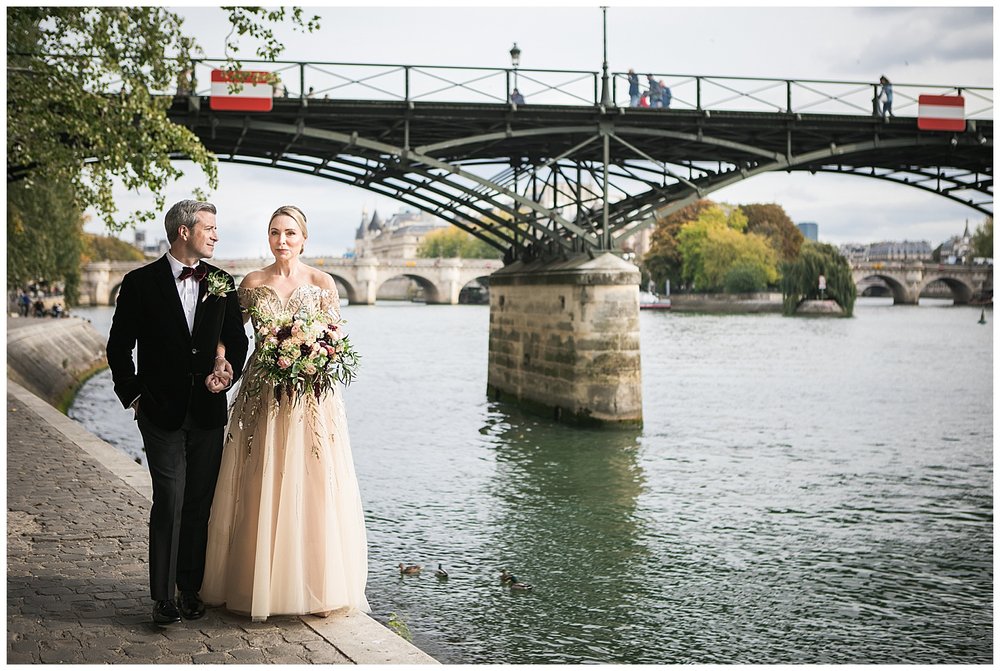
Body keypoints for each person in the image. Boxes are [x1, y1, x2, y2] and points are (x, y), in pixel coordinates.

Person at [202, 205, 369, 622]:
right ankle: (255, 584)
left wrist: (315, 355)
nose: (282, 241)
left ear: (304, 238)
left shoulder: (322, 282)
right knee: (259, 479)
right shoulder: (252, 282)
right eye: (275, 233)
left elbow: (335, 340)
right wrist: (222, 360)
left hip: (309, 397)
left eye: (290, 234)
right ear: (268, 237)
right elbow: (227, 333)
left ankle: (313, 585)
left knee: (312, 483)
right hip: (261, 395)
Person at [106, 200, 249, 626]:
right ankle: (161, 596)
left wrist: (228, 373)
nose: (216, 235)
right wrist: (133, 397)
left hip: (207, 411)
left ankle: (190, 590)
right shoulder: (139, 283)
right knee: (169, 500)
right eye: (209, 228)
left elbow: (236, 342)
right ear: (183, 232)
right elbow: (118, 347)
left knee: (198, 504)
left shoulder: (222, 282)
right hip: (160, 411)